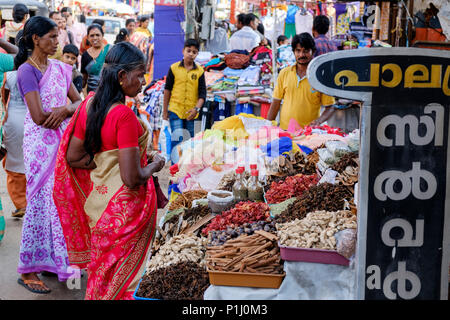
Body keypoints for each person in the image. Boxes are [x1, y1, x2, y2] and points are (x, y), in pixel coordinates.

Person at [53, 41, 166, 300]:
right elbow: (131, 177)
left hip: (99, 205)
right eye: (139, 75)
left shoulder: (91, 105)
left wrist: (104, 163)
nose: (143, 81)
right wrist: (155, 164)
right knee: (125, 284)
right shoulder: (123, 116)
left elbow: (73, 156)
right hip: (125, 213)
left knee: (102, 276)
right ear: (122, 76)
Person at [15, 15, 82, 294]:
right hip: (39, 148)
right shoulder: (26, 72)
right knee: (39, 204)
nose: (57, 42)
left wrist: (65, 110)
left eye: (58, 37)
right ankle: (28, 269)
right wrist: (62, 110)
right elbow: (39, 116)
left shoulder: (60, 68)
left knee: (59, 203)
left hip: (61, 145)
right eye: (52, 37)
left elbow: (78, 101)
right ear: (35, 40)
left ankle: (52, 261)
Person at [267, 33, 335, 130]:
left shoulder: (320, 76)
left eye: (306, 51)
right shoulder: (284, 73)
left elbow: (330, 107)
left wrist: (318, 121)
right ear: (293, 52)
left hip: (308, 134)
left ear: (313, 51)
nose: (301, 55)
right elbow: (275, 103)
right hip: (285, 131)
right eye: (298, 51)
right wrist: (267, 127)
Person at [163, 39, 206, 163]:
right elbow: (167, 90)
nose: (191, 54)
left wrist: (196, 108)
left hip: (191, 113)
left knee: (189, 143)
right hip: (175, 110)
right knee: (177, 141)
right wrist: (165, 112)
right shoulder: (174, 68)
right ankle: (174, 172)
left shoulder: (200, 71)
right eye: (188, 51)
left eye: (194, 52)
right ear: (183, 51)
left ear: (197, 54)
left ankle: (185, 174)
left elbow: (203, 94)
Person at [81, 24, 111, 93]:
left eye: (97, 35)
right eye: (92, 36)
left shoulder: (110, 51)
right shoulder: (85, 55)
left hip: (108, 93)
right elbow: (84, 79)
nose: (95, 38)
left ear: (102, 36)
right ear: (88, 38)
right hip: (92, 94)